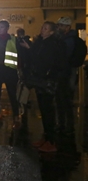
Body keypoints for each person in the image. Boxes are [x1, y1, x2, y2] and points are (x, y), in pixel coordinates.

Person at [20, 21, 67, 153]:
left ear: (51, 32)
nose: (43, 30)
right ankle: (45, 138)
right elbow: (34, 58)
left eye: (46, 29)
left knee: (48, 110)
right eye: (42, 27)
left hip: (47, 81)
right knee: (43, 108)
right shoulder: (40, 42)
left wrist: (29, 48)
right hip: (39, 80)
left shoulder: (52, 44)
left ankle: (51, 141)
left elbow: (45, 60)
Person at [55, 16, 78, 149]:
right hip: (64, 73)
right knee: (61, 99)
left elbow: (64, 57)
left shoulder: (68, 40)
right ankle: (63, 124)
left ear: (67, 27)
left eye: (61, 26)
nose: (59, 28)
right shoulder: (65, 39)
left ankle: (67, 126)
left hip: (66, 73)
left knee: (65, 100)